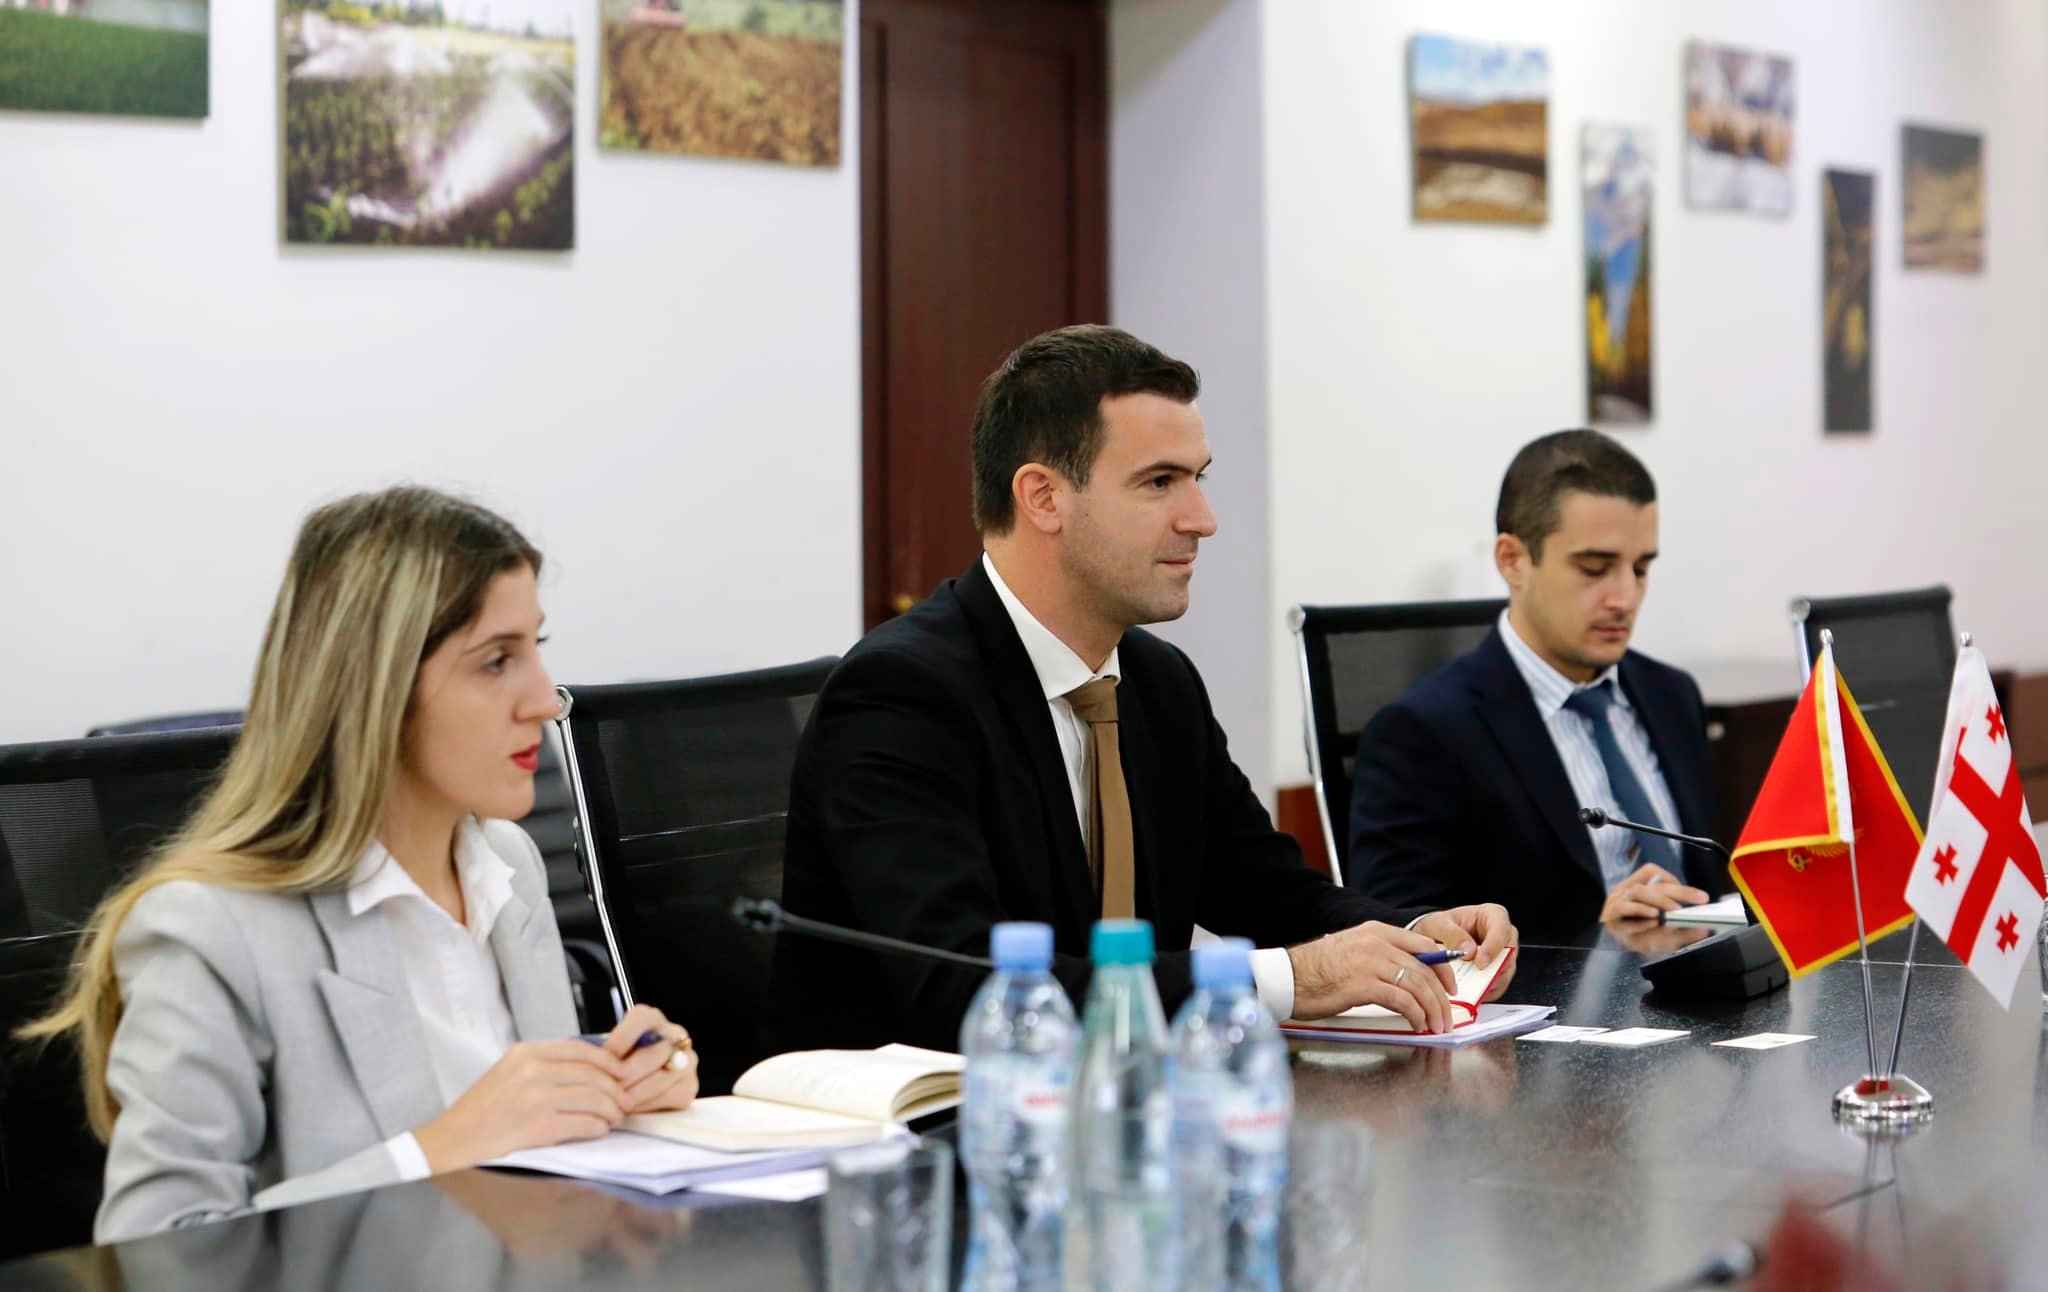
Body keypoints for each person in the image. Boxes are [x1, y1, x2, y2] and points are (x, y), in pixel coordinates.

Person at [777, 325, 1516, 1052]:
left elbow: (1271, 894)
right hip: (933, 1118)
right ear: (1043, 498)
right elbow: (964, 989)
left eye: (1199, 478)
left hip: (1125, 1100)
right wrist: (1291, 978)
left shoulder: (1160, 683)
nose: (1203, 520)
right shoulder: (901, 694)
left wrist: (1414, 938)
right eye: (1160, 482)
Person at [22, 486, 699, 1241]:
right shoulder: (208, 931)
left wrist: (613, 1084)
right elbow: (157, 1247)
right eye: (496, 661)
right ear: (375, 687)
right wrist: (436, 1152)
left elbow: (522, 1137)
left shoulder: (506, 865)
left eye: (535, 649)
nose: (547, 700)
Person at [1346, 430, 1724, 943]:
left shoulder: (1671, 695)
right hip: (1549, 995)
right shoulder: (1422, 735)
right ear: (1513, 560)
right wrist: (1600, 950)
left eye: (1640, 569)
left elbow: (1712, 887)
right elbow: (1409, 947)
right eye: (1595, 569)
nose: (1625, 597)